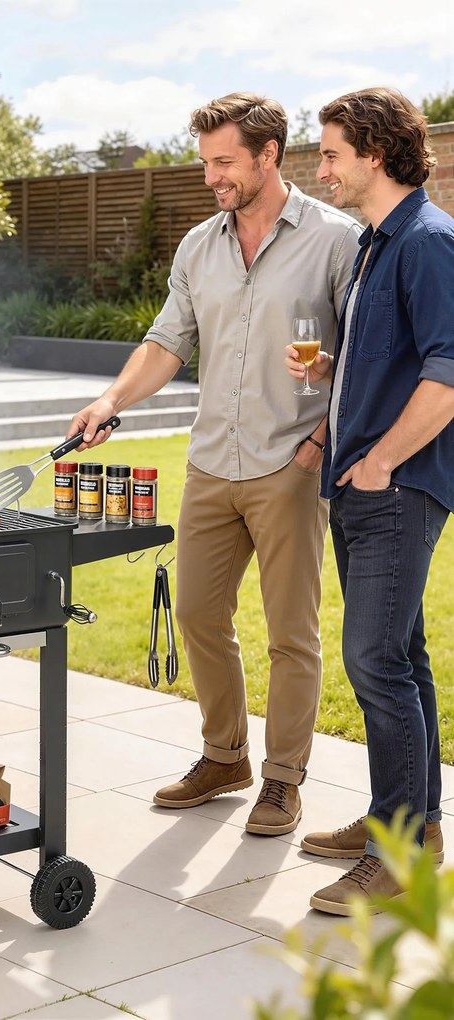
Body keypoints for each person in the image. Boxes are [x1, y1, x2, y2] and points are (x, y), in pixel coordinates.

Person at [68, 93, 361, 835]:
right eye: (205, 163)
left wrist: (319, 440)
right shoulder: (199, 245)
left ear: (269, 155)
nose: (211, 177)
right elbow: (167, 342)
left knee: (291, 633)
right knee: (198, 612)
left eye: (224, 162)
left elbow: (360, 357)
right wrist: (109, 400)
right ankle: (225, 755)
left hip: (291, 461)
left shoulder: (336, 240)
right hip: (211, 463)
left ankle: (283, 780)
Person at [281, 88, 454, 914]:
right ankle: (416, 827)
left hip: (396, 486)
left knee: (373, 661)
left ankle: (398, 851)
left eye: (331, 154)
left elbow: (448, 374)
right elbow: (383, 359)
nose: (321, 170)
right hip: (357, 480)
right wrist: (328, 371)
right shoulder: (373, 246)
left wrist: (383, 461)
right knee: (401, 657)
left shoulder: (428, 241)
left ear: (375, 155)